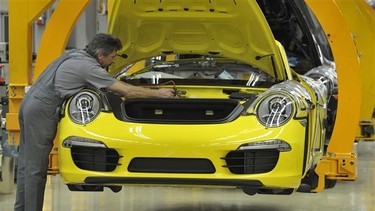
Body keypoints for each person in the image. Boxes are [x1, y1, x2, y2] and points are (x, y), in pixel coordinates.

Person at [14, 33, 174, 211]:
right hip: (41, 110)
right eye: (112, 56)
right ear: (100, 55)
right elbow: (127, 92)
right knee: (36, 169)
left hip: (29, 103)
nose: (113, 61)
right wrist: (159, 93)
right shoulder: (88, 67)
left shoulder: (75, 55)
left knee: (26, 166)